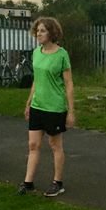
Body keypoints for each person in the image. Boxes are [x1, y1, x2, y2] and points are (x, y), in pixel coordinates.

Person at [18, 17, 75, 196]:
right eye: (37, 31)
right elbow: (36, 80)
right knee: (33, 145)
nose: (38, 34)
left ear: (51, 33)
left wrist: (71, 111)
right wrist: (29, 102)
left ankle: (57, 182)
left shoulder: (61, 54)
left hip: (55, 107)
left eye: (42, 31)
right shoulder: (36, 53)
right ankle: (28, 183)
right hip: (37, 106)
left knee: (55, 145)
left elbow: (69, 83)